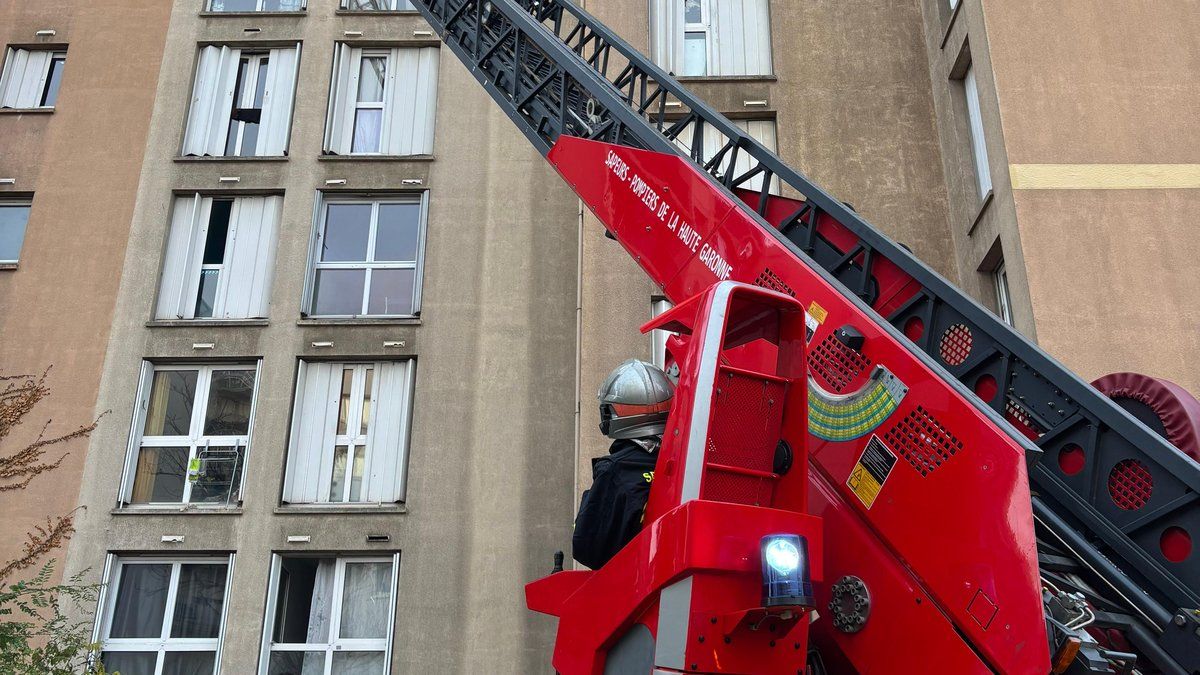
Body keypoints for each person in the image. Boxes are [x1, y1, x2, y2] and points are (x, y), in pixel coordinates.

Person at [572, 359, 675, 569]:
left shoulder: (615, 470)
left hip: (634, 585)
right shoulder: (682, 459)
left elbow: (589, 550)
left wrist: (587, 499)